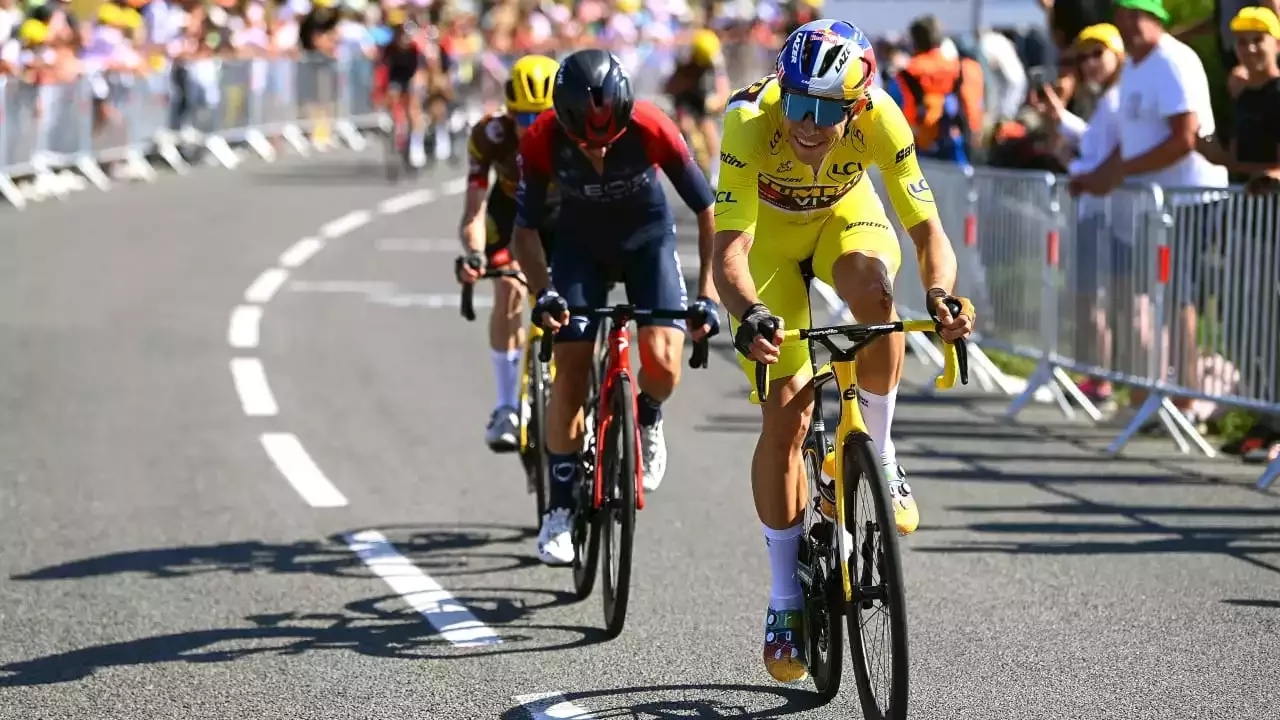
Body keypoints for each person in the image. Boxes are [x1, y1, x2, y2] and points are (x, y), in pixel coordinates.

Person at [713, 19, 975, 684]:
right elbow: (729, 251)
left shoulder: (883, 118)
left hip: (842, 220)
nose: (806, 123)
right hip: (767, 246)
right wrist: (752, 314)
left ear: (855, 107)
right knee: (787, 420)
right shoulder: (748, 122)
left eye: (825, 111)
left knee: (876, 299)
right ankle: (784, 599)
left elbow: (927, 231)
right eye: (797, 103)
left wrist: (942, 294)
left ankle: (879, 453)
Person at [514, 49, 719, 566]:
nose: (601, 153)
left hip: (647, 242)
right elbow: (526, 230)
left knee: (664, 362)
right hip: (579, 249)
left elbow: (709, 209)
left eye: (610, 139)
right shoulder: (540, 138)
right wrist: (544, 293)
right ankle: (559, 509)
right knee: (571, 373)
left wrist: (709, 297)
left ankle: (647, 418)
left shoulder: (652, 125)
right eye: (587, 142)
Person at [456, 54, 561, 452]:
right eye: (523, 120)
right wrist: (475, 253)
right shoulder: (489, 137)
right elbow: (473, 211)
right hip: (511, 216)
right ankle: (505, 406)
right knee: (509, 291)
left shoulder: (575, 134)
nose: (532, 128)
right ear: (508, 113)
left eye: (542, 119)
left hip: (563, 215)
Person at [1030, 23, 1125, 407]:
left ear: (1117, 56)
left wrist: (1079, 167)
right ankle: (1095, 376)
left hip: (1105, 213)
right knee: (1086, 298)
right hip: (1093, 210)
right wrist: (1061, 119)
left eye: (1097, 54)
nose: (1088, 64)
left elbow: (1107, 156)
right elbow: (1093, 145)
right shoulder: (1108, 100)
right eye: (1083, 56)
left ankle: (1101, 381)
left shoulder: (1118, 99)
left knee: (1094, 299)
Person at [664, 27, 731, 183]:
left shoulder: (714, 58)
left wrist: (719, 100)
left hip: (702, 93)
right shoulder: (684, 55)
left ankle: (715, 171)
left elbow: (723, 87)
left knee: (707, 125)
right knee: (686, 126)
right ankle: (693, 163)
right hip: (685, 94)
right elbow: (672, 85)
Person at [375, 9, 428, 168]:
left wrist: (418, 84)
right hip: (396, 78)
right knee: (393, 94)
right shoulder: (389, 48)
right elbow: (382, 68)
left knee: (413, 107)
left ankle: (417, 143)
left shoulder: (416, 49)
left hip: (412, 77)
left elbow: (421, 70)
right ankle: (397, 126)